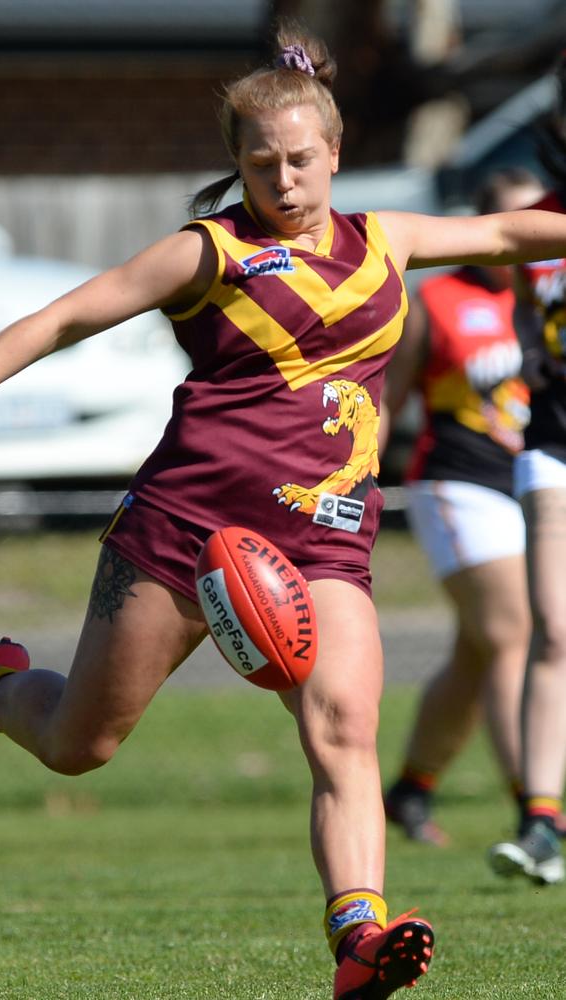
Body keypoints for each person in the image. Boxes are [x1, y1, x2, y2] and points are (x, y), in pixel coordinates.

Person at [0, 19, 566, 999]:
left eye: (302, 160)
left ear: (336, 154)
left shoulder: (387, 244)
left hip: (322, 539)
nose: (285, 180)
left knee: (344, 726)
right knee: (79, 744)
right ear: (237, 164)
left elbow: (513, 230)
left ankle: (356, 932)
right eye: (262, 163)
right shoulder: (209, 255)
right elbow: (58, 319)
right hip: (180, 533)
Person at [381, 168, 546, 846]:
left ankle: (412, 789)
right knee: (513, 633)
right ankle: (539, 814)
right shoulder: (438, 298)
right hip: (455, 482)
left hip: (535, 484)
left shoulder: (548, 301)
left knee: (479, 653)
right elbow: (390, 393)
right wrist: (359, 468)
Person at [488, 52, 566, 887]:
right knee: (554, 624)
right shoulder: (533, 224)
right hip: (553, 445)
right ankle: (541, 820)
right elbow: (526, 324)